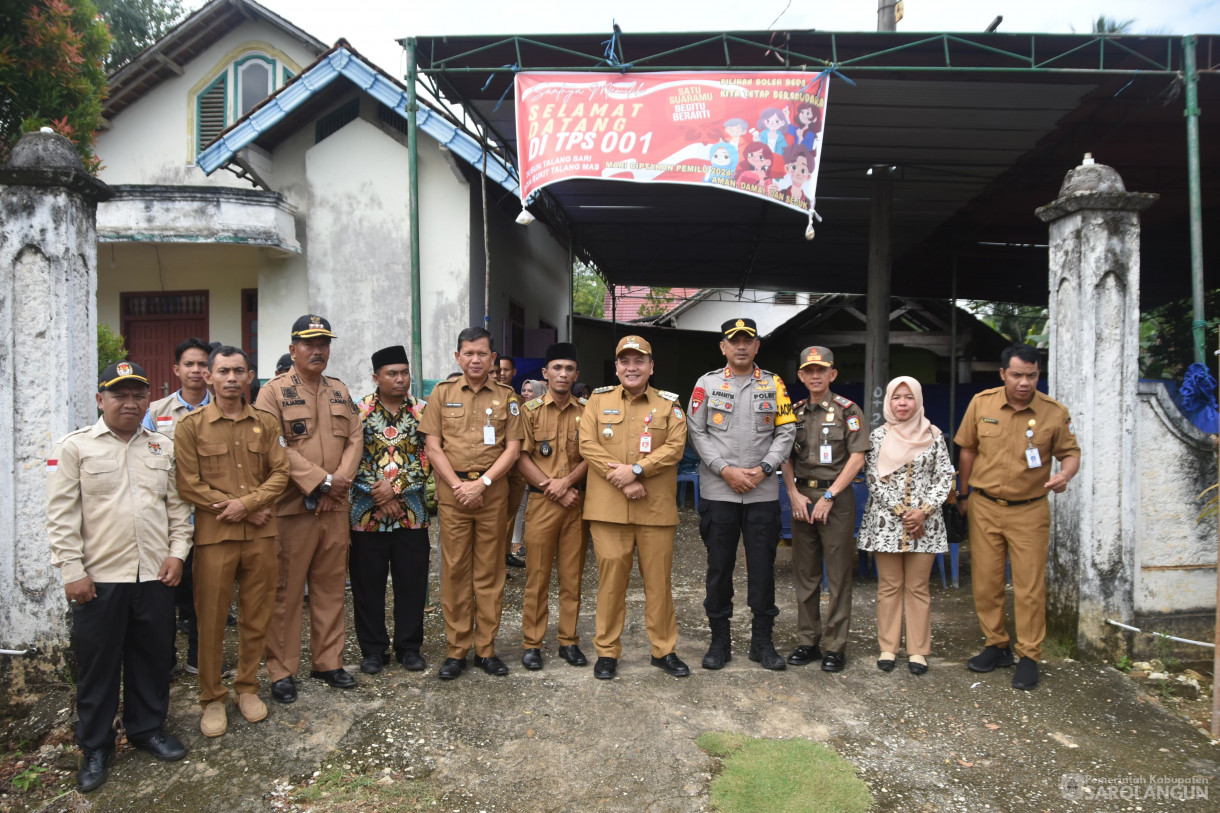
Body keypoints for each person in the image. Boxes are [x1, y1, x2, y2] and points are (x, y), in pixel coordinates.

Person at [46, 361, 192, 792]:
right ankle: (95, 747)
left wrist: (178, 555)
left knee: (151, 660)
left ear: (147, 399)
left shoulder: (162, 448)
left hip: (155, 576)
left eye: (137, 395)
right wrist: (72, 571)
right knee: (98, 668)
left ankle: (147, 730)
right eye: (119, 395)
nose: (130, 403)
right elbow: (61, 517)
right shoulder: (75, 448)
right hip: (99, 581)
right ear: (100, 400)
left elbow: (178, 510)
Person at [174, 346, 290, 736]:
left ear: (250, 376)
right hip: (215, 536)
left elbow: (281, 472)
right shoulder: (191, 426)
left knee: (257, 616)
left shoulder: (267, 422)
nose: (231, 378)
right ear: (208, 376)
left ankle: (247, 687)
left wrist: (249, 503)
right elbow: (188, 483)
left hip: (261, 534)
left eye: (239, 371)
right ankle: (211, 698)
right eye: (222, 371)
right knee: (210, 620)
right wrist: (238, 507)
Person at [955, 345, 1080, 690]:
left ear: (1038, 374)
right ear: (1002, 373)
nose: (1024, 382)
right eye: (1017, 375)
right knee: (986, 582)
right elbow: (967, 449)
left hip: (1030, 509)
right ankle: (996, 645)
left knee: (1028, 587)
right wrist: (963, 495)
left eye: (1031, 375)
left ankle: (1029, 655)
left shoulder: (1054, 412)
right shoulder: (982, 403)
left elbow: (1070, 454)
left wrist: (1065, 475)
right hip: (984, 506)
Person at [254, 314, 363, 702]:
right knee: (285, 591)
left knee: (331, 587)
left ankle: (329, 662)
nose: (318, 350)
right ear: (292, 349)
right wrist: (323, 480)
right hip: (294, 509)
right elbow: (273, 446)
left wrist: (339, 483)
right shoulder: (273, 393)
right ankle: (282, 671)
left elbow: (355, 437)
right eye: (309, 343)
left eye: (324, 343)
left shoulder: (339, 390)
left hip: (333, 509)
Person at [686, 318, 797, 671]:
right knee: (719, 568)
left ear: (757, 346)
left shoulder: (774, 384)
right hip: (720, 491)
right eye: (734, 341)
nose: (741, 346)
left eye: (748, 340)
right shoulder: (706, 384)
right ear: (723, 346)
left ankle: (762, 642)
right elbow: (696, 431)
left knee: (763, 569)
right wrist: (725, 469)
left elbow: (786, 431)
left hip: (761, 491)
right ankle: (719, 642)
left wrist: (765, 468)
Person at [580, 335, 689, 680]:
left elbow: (675, 447)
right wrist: (624, 478)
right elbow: (587, 444)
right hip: (608, 510)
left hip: (654, 509)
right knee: (611, 582)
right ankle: (607, 652)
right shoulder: (597, 402)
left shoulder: (669, 405)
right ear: (616, 367)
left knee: (659, 583)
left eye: (639, 361)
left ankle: (664, 649)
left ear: (651, 367)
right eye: (625, 361)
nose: (632, 367)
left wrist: (638, 470)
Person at [419, 327, 523, 680]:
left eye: (482, 353)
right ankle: (456, 650)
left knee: (490, 572)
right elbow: (433, 447)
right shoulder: (442, 393)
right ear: (457, 357)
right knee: (455, 571)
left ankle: (487, 649)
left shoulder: (508, 397)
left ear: (493, 358)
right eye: (468, 353)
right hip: (453, 495)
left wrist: (482, 484)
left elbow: (512, 448)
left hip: (492, 493)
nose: (475, 359)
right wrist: (458, 485)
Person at [857, 376, 955, 675]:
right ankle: (888, 647)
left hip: (925, 524)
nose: (902, 403)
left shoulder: (934, 435)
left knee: (918, 588)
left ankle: (918, 651)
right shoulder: (876, 437)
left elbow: (945, 477)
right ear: (889, 401)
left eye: (908, 397)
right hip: (887, 522)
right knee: (888, 587)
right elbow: (873, 479)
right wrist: (903, 511)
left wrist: (923, 511)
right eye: (897, 397)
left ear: (918, 400)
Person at [781, 346, 870, 672]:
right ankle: (808, 641)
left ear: (832, 374)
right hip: (802, 498)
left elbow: (857, 457)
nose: (815, 376)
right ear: (802, 376)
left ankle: (835, 646)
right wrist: (791, 493)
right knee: (805, 575)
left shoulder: (848, 411)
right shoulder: (794, 412)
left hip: (836, 500)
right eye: (809, 371)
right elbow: (785, 457)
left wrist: (830, 496)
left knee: (839, 575)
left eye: (822, 370)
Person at [350, 346, 432, 675]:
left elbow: (428, 456)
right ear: (376, 377)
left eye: (404, 372)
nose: (400, 379)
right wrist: (380, 494)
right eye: (392, 374)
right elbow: (350, 457)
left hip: (411, 514)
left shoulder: (424, 412)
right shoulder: (358, 412)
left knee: (411, 583)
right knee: (367, 585)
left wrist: (395, 490)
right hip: (367, 515)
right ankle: (373, 650)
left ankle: (409, 647)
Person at [516, 343, 590, 670]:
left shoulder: (587, 411)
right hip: (542, 501)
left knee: (572, 575)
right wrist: (554, 487)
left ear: (576, 374)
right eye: (556, 368)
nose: (563, 374)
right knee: (537, 575)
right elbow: (520, 457)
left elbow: (593, 456)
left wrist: (568, 484)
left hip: (576, 502)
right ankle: (532, 643)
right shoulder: (529, 410)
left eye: (569, 369)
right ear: (545, 373)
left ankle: (568, 641)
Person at [143, 337, 211, 675]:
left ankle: (200, 660)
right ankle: (165, 660)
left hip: (212, 517)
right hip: (169, 519)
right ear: (177, 369)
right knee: (165, 593)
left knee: (205, 592)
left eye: (202, 364)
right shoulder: (156, 412)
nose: (196, 370)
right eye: (189, 364)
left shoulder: (225, 408)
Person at [499, 357, 528, 569]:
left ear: (513, 372)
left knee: (512, 510)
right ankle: (496, 559)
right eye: (497, 370)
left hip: (515, 466)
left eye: (505, 370)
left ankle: (506, 552)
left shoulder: (518, 400)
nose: (501, 374)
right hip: (494, 465)